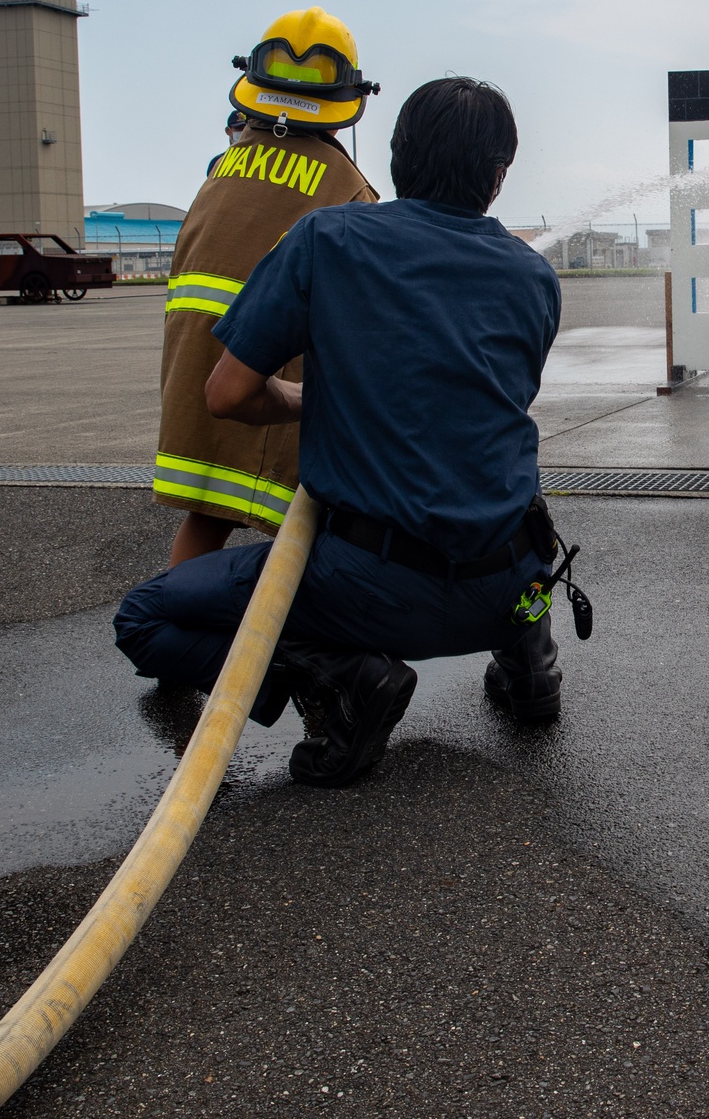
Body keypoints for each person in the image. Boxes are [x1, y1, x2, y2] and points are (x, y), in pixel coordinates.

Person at [117, 76, 563, 786]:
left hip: (372, 594)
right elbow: (480, 409)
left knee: (141, 619)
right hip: (512, 584)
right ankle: (532, 664)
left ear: (394, 156)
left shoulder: (329, 239)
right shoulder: (535, 277)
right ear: (500, 176)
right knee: (515, 508)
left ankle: (342, 677)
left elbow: (227, 394)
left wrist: (304, 400)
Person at [155, 7, 380, 566]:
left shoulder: (224, 168)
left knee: (207, 515)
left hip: (195, 363)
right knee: (306, 530)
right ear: (350, 100)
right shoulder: (347, 188)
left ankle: (170, 639)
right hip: (274, 371)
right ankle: (287, 648)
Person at [205, 110, 248, 178]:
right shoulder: (218, 161)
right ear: (228, 131)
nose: (243, 132)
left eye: (246, 128)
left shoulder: (260, 158)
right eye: (239, 128)